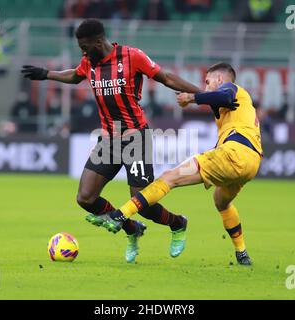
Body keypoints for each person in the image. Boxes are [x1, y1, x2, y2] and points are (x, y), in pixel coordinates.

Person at [21, 19, 202, 263]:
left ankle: (178, 223)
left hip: (135, 137)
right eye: (80, 48)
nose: (83, 53)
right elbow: (75, 76)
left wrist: (202, 96)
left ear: (99, 42)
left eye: (85, 47)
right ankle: (132, 229)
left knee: (144, 203)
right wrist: (46, 74)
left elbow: (167, 78)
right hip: (108, 141)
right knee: (85, 198)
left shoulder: (132, 56)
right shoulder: (89, 62)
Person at [98, 62, 263, 266]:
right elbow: (222, 105)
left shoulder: (231, 89)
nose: (206, 85)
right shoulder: (237, 110)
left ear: (220, 79)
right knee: (221, 201)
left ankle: (119, 214)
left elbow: (225, 95)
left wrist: (192, 97)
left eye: (208, 81)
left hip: (234, 154)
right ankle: (242, 252)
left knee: (170, 177)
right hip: (251, 162)